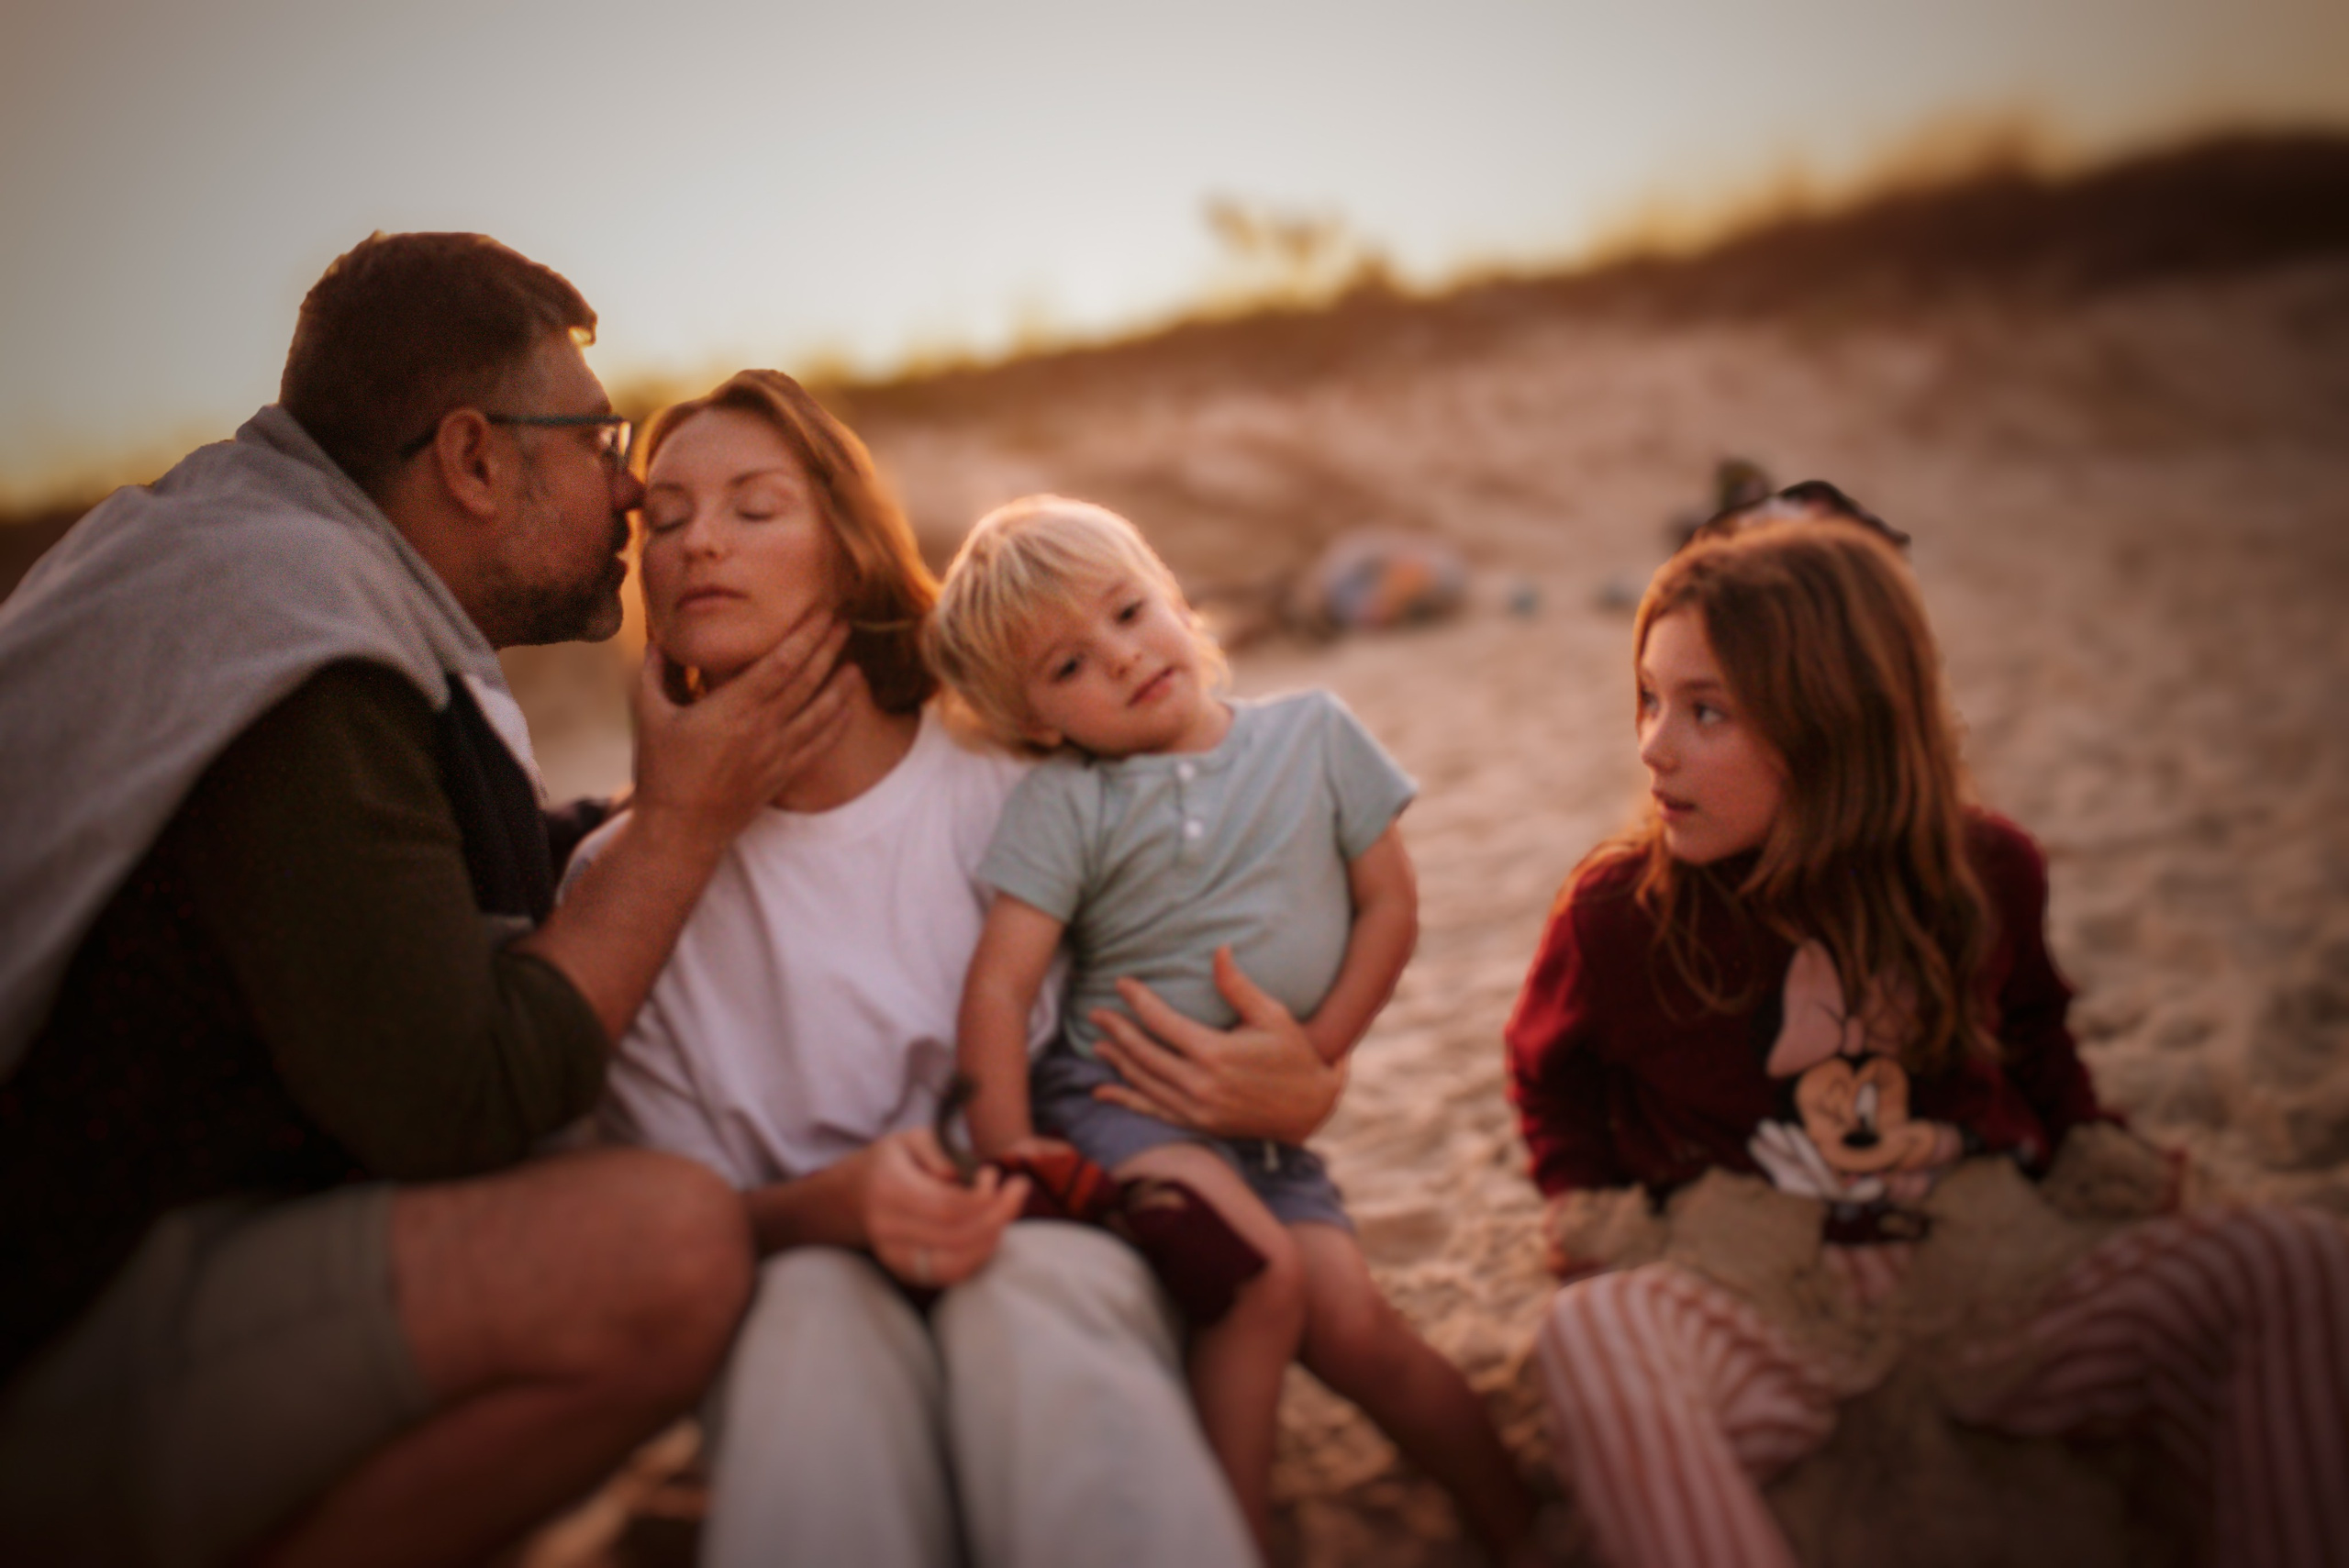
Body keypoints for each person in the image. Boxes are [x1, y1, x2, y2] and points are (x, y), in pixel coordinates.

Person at [0, 234, 852, 1568]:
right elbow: (460, 1100)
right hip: (54, 1324)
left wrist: (701, 808)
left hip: (122, 1236)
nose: (631, 490)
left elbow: (418, 876)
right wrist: (683, 826)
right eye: (597, 435)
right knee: (669, 1249)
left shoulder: (231, 553)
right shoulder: (301, 657)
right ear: (472, 457)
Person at [1505, 517, 2349, 1567]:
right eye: (1648, 697)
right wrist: (1586, 1202)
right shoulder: (1618, 912)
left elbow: (2035, 1035)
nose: (1652, 744)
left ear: (1833, 722)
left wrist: (2087, 1141)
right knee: (1592, 1334)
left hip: (1995, 1289)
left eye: (1704, 710)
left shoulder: (1986, 872)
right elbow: (1549, 1075)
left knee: (2293, 1262)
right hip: (1761, 1306)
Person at [578, 371, 1268, 1568]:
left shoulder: (1019, 786)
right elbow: (676, 1228)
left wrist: (1281, 1077)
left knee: (1034, 1294)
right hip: (795, 1271)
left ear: (847, 547)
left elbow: (1210, 1005)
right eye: (666, 516)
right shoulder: (615, 889)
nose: (699, 543)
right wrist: (833, 1208)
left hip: (1055, 1237)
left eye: (753, 506)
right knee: (804, 1327)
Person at [925, 495, 1539, 1563]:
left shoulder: (1315, 734)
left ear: (1173, 593)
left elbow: (1389, 908)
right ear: (1037, 724)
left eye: (1126, 611)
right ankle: (1226, 1538)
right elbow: (997, 988)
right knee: (1260, 1281)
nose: (1119, 659)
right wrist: (1013, 1149)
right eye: (1066, 666)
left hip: (1268, 1135)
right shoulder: (1069, 803)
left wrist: (1320, 1049)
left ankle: (1528, 1526)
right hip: (1121, 1113)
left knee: (1359, 1327)